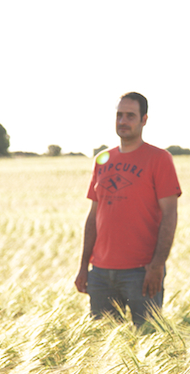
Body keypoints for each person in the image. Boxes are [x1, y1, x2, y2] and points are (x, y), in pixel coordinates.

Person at [74, 92, 182, 327]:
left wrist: (157, 265)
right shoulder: (103, 159)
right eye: (119, 115)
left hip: (141, 272)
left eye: (130, 116)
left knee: (149, 343)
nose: (123, 121)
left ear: (144, 120)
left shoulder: (159, 159)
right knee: (103, 348)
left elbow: (170, 215)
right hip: (101, 273)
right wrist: (84, 266)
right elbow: (94, 216)